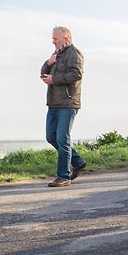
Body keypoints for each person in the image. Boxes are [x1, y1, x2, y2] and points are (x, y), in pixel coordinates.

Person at [40, 26, 87, 187]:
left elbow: (76, 74)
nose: (53, 41)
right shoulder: (56, 54)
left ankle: (63, 177)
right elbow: (44, 72)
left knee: (62, 138)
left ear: (66, 38)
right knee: (51, 137)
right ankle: (78, 161)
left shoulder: (74, 53)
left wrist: (55, 79)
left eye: (55, 38)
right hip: (53, 102)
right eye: (53, 38)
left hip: (68, 103)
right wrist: (48, 62)